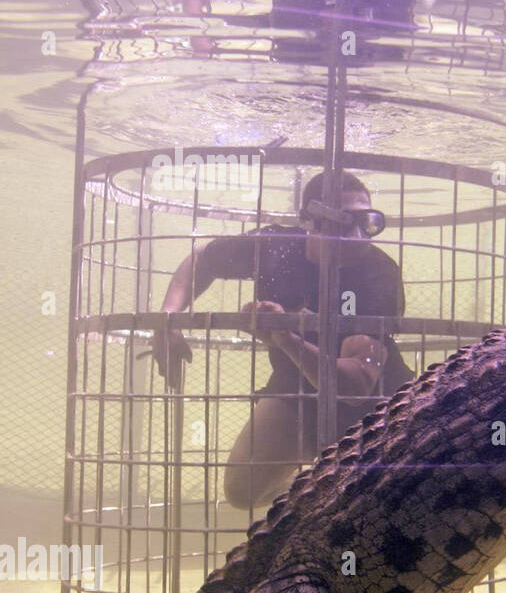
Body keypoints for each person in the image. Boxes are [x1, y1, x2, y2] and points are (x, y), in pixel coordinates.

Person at [151, 171, 415, 509]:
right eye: (342, 222)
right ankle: (314, 491)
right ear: (309, 220)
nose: (358, 236)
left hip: (376, 401)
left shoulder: (378, 272)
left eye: (368, 222)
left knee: (377, 503)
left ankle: (336, 489)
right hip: (296, 384)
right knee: (242, 490)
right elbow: (203, 258)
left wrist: (285, 338)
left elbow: (356, 385)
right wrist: (168, 318)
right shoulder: (274, 247)